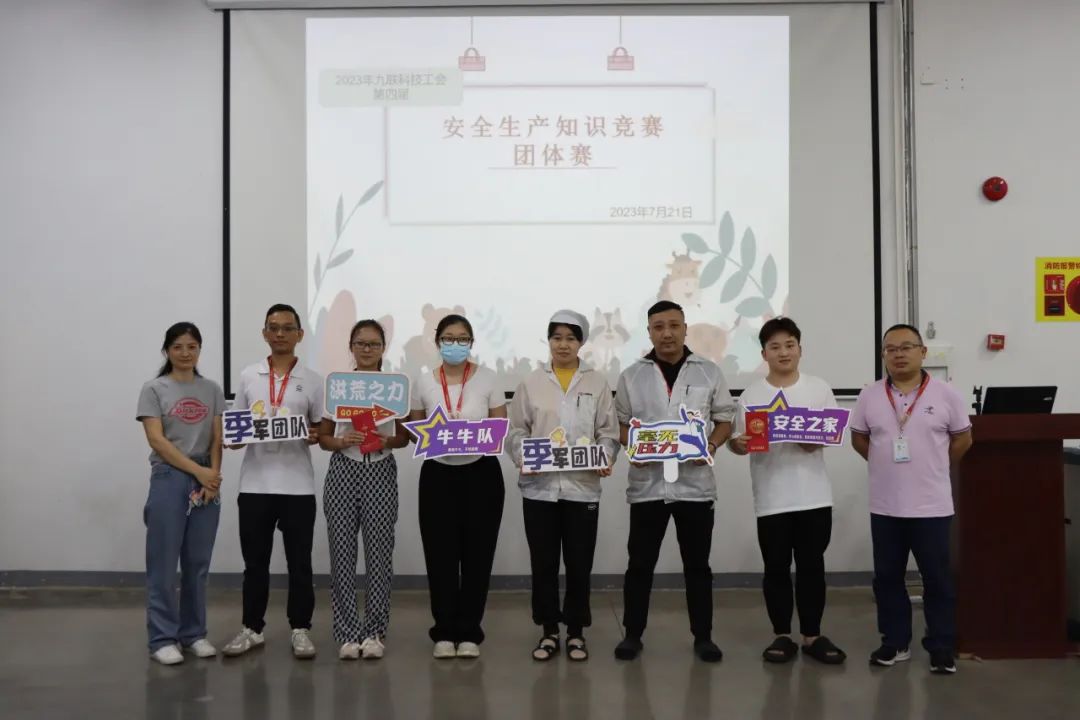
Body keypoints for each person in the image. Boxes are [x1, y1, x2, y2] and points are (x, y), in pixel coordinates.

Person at [612, 300, 735, 662]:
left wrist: (711, 445)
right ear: (649, 332)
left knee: (697, 566)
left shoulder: (708, 372)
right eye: (658, 327)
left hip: (695, 487)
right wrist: (635, 445)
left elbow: (725, 419)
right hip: (647, 486)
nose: (667, 333)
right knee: (639, 565)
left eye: (674, 325)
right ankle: (632, 634)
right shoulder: (631, 375)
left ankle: (704, 637)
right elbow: (619, 423)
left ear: (685, 328)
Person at [850, 323, 972, 674]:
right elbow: (859, 439)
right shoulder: (869, 395)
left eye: (906, 347)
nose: (899, 354)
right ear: (883, 355)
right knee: (888, 578)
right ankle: (895, 641)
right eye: (891, 349)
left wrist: (934, 466)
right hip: (885, 505)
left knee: (937, 578)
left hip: (932, 505)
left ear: (923, 352)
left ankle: (941, 646)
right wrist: (883, 464)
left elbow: (963, 440)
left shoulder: (947, 394)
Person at [728, 317, 846, 664]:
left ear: (800, 349)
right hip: (771, 498)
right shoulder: (752, 394)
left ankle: (812, 635)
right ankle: (781, 634)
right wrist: (738, 444)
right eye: (775, 346)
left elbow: (830, 433)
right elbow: (736, 442)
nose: (783, 352)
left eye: (790, 345)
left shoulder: (819, 388)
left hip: (814, 496)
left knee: (812, 567)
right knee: (776, 568)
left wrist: (812, 439)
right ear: (764, 354)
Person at [507, 310, 620, 662]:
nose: (563, 345)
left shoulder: (597, 383)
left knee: (579, 563)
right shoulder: (531, 382)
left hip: (582, 489)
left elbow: (608, 432)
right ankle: (548, 631)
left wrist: (604, 456)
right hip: (539, 489)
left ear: (581, 342)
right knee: (543, 564)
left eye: (571, 338)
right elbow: (516, 430)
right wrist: (522, 455)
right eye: (557, 337)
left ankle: (575, 632)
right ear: (549, 341)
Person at [221, 304, 324, 659]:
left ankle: (300, 629)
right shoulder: (249, 375)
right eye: (274, 327)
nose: (280, 333)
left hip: (298, 486)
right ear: (264, 333)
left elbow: (320, 429)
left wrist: (314, 435)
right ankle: (252, 628)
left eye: (287, 327)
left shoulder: (313, 380)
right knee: (255, 564)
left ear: (300, 334)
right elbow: (235, 430)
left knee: (300, 563)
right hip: (255, 485)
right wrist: (234, 437)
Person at [408, 313, 507, 659]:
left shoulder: (488, 378)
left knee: (478, 556)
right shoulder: (423, 381)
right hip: (438, 476)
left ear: (471, 342)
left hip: (482, 475)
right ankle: (444, 631)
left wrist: (470, 436)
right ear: (438, 342)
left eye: (462, 338)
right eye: (449, 338)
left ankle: (469, 632)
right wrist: (438, 436)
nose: (455, 344)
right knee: (440, 556)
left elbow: (499, 426)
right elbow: (415, 430)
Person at [317, 319, 410, 660]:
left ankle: (374, 632)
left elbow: (405, 436)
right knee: (341, 554)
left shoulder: (395, 387)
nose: (367, 349)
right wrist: (341, 441)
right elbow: (324, 437)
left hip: (381, 470)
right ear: (351, 347)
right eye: (360, 343)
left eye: (373, 344)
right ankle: (346, 633)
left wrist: (388, 440)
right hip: (344, 470)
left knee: (379, 555)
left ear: (383, 348)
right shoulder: (340, 386)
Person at [137, 322, 226, 665]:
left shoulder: (212, 389)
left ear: (199, 350)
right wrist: (199, 472)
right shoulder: (154, 388)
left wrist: (212, 475)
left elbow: (217, 438)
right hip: (169, 476)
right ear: (167, 351)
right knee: (163, 563)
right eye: (178, 347)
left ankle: (193, 634)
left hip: (206, 478)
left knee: (197, 563)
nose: (185, 353)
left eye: (192, 347)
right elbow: (156, 440)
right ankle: (162, 638)